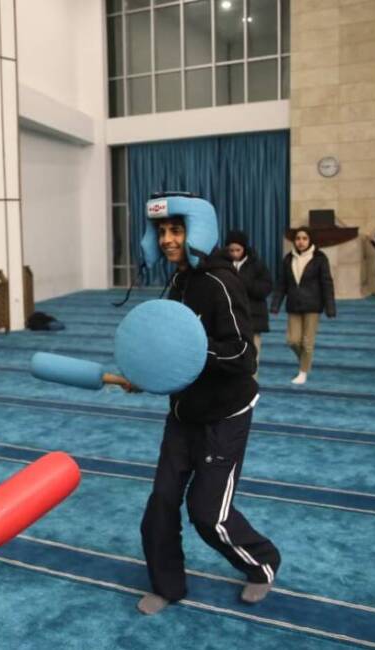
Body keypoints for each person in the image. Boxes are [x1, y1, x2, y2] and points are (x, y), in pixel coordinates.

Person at [135, 195, 280, 616]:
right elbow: (169, 347)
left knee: (207, 513)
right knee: (160, 505)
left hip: (224, 414)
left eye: (176, 230)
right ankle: (167, 585)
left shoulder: (220, 282)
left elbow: (243, 355)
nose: (167, 239)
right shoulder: (178, 282)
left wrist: (193, 353)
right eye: (162, 232)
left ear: (197, 231)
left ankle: (262, 561)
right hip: (183, 412)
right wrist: (148, 371)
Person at [270, 226, 336, 385]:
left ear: (310, 240)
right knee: (292, 340)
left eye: (304, 238)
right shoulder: (288, 258)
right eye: (298, 238)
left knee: (307, 342)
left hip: (313, 305)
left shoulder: (320, 258)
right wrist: (275, 305)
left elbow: (327, 283)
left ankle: (303, 371)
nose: (301, 242)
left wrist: (330, 307)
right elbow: (282, 283)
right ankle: (306, 362)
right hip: (294, 304)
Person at [224, 230, 273, 377]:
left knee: (252, 354)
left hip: (253, 317)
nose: (234, 253)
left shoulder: (257, 264)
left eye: (238, 250)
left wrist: (245, 283)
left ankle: (251, 385)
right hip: (230, 317)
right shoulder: (222, 264)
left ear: (244, 249)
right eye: (231, 250)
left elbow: (266, 287)